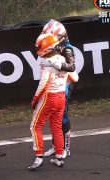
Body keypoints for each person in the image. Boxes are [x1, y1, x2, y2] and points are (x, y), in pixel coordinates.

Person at [37, 19, 77, 158]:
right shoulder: (54, 46)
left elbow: (72, 67)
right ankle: (56, 146)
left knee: (63, 117)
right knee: (54, 118)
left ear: (58, 35)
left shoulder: (67, 48)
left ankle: (66, 148)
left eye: (49, 35)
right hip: (54, 86)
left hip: (65, 85)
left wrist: (57, 65)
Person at [28, 33, 68, 170]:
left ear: (45, 47)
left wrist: (34, 99)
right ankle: (59, 156)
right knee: (57, 126)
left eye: (39, 46)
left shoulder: (46, 62)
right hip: (62, 96)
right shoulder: (63, 58)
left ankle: (38, 156)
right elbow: (73, 77)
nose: (38, 49)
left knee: (35, 126)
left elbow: (44, 83)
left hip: (49, 97)